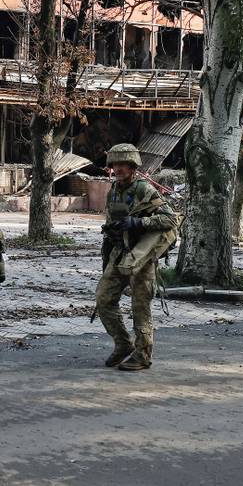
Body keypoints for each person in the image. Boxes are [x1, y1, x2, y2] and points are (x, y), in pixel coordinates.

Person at [95, 143, 177, 371]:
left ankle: (142, 354)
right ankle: (123, 344)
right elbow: (114, 220)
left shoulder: (144, 189)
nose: (118, 169)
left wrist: (139, 222)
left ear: (132, 166)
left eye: (122, 164)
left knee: (140, 305)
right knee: (103, 299)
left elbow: (171, 219)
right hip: (119, 252)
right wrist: (112, 229)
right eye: (114, 164)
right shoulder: (114, 190)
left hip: (141, 256)